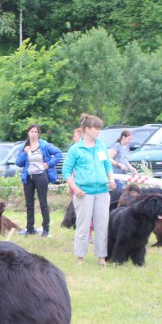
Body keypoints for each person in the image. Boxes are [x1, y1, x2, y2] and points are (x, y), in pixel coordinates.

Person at [62, 114, 116, 266]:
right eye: (96, 128)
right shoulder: (75, 149)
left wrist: (111, 179)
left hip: (102, 191)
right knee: (83, 226)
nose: (98, 131)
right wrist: (75, 188)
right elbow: (66, 172)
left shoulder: (101, 146)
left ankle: (101, 257)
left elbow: (107, 166)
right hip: (83, 192)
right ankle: (80, 258)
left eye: (99, 128)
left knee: (102, 225)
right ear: (87, 129)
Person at [15, 124, 62, 237]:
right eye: (32, 131)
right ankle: (30, 229)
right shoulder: (24, 146)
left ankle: (46, 229)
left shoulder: (44, 145)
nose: (34, 134)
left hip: (41, 176)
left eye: (36, 132)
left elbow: (58, 153)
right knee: (29, 204)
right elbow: (18, 163)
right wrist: (25, 153)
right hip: (29, 177)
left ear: (38, 134)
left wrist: (48, 164)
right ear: (28, 133)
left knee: (43, 203)